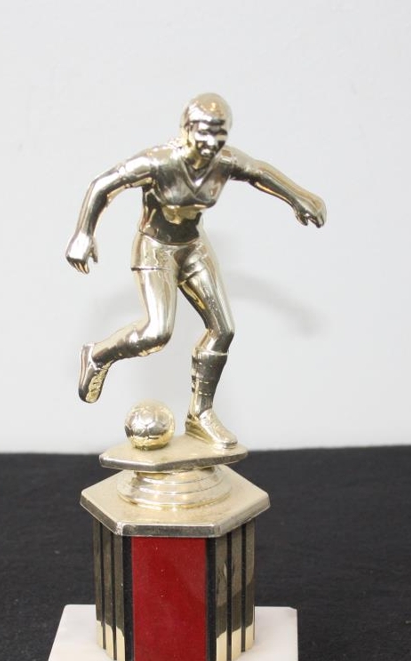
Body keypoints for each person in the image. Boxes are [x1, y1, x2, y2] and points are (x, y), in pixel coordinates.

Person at [66, 93, 326, 448]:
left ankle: (200, 413)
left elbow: (260, 172)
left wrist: (299, 197)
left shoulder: (225, 162)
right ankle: (98, 354)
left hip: (193, 248)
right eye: (204, 131)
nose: (211, 141)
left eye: (220, 133)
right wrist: (84, 234)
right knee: (156, 334)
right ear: (186, 129)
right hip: (156, 249)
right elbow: (103, 184)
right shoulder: (159, 161)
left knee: (223, 329)